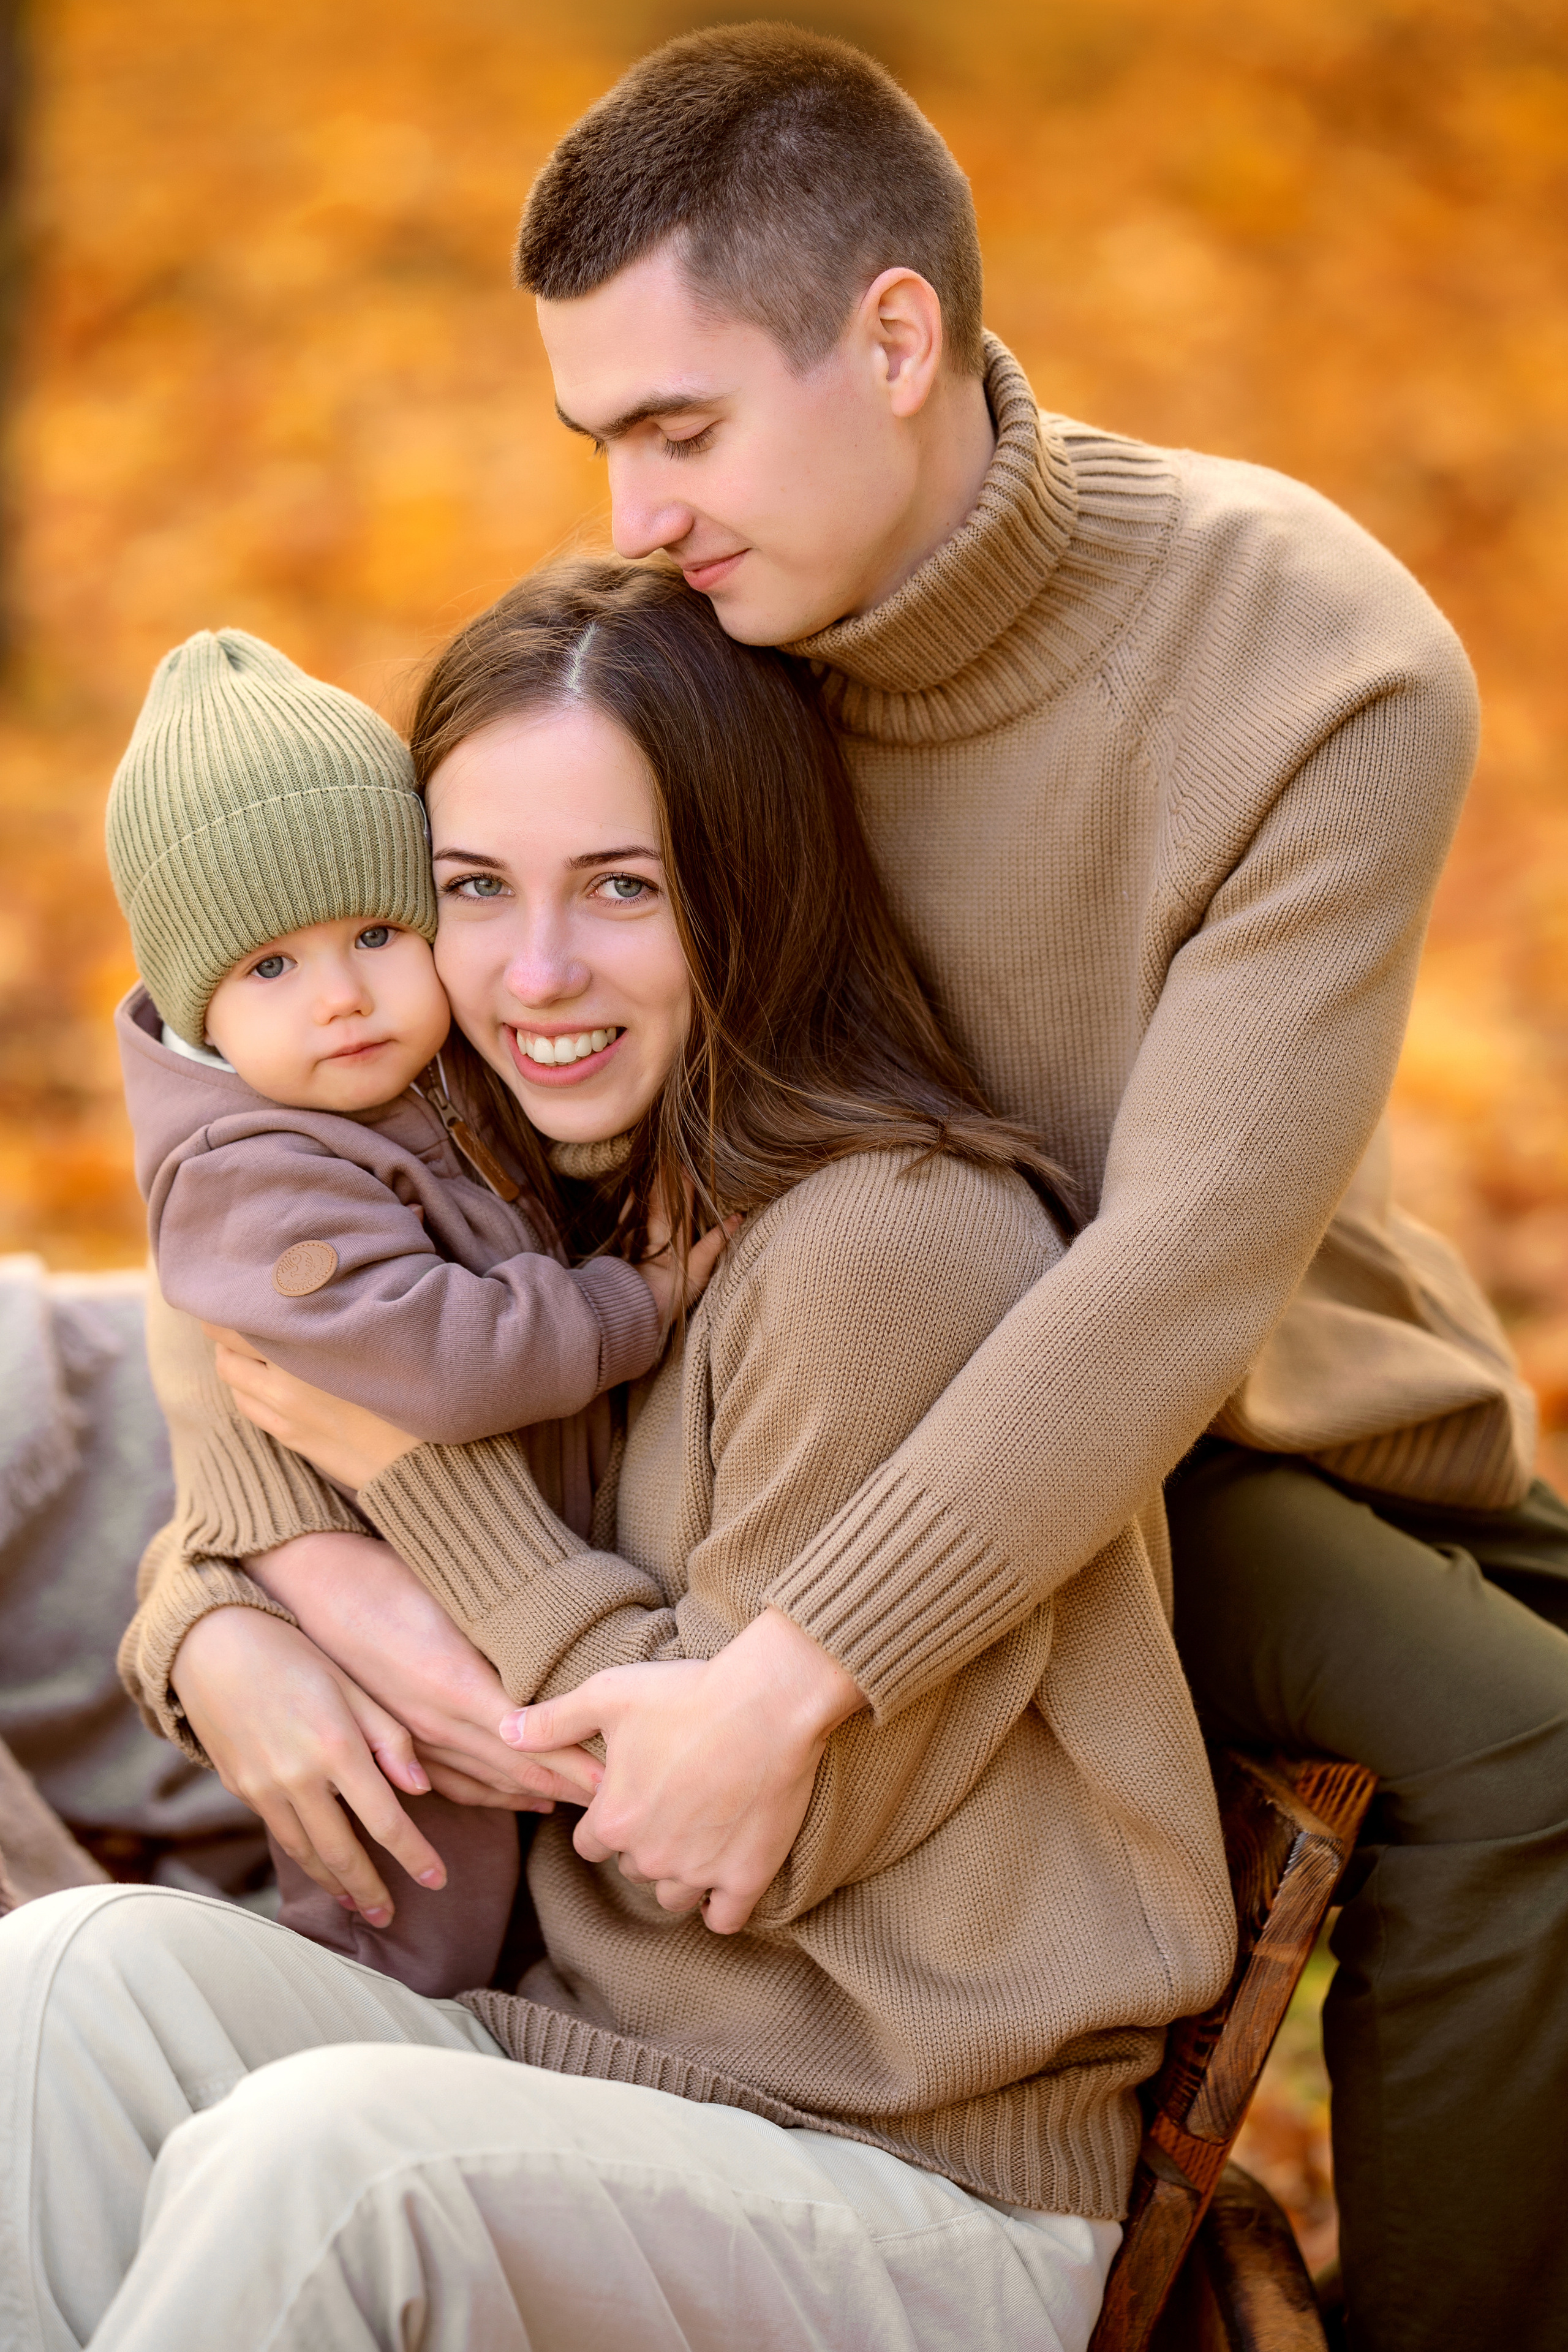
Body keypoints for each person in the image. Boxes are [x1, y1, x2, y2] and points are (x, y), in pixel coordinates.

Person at [224, 25, 1566, 2352]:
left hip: (1232, 1417)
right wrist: (214, 1596)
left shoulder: (1306, 661)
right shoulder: (687, 653)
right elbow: (314, 1133)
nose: (633, 512)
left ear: (896, 335)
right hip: (789, 1385)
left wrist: (790, 1678)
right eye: (603, 441)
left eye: (681, 425)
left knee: (1527, 1735)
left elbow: (1174, 1277)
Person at [0, 557, 1235, 2352]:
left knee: (336, 2165)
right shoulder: (555, 1199)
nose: (537, 971)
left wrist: (412, 1472)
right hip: (595, 2060)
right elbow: (246, 1296)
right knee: (54, 1986)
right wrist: (219, 1617)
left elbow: (718, 1843)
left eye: (624, 890)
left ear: (746, 893)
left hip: (912, 2180)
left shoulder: (889, 1247)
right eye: (472, 892)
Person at [105, 624, 713, 1986]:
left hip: (513, 1591)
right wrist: (639, 1297)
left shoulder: (412, 1090)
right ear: (204, 1011)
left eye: (378, 934)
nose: (341, 1000)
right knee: (404, 1890)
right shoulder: (251, 1173)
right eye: (271, 970)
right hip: (389, 1646)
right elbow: (448, 1362)